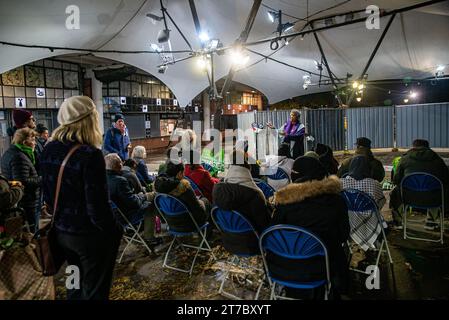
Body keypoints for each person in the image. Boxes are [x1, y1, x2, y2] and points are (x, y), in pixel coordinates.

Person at [40, 96, 121, 300]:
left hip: (62, 235)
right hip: (88, 239)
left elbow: (48, 197)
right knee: (94, 291)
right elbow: (98, 209)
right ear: (89, 120)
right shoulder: (90, 155)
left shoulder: (48, 149)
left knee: (73, 284)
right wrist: (116, 230)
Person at [271, 156, 349, 299]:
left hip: (284, 268)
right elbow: (343, 235)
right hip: (323, 269)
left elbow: (274, 233)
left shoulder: (284, 203)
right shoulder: (336, 201)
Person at [389, 139, 449, 230]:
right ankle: (431, 221)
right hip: (433, 199)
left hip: (408, 197)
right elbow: (446, 179)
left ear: (413, 147)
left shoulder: (404, 159)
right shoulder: (438, 159)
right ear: (428, 147)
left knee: (395, 191)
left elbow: (396, 180)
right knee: (441, 189)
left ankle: (398, 222)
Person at [105, 153, 161, 246]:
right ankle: (150, 238)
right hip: (126, 216)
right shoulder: (119, 181)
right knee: (151, 201)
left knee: (149, 197)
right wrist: (141, 196)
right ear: (118, 165)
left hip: (111, 217)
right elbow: (135, 203)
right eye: (121, 163)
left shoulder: (101, 179)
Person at [213, 150, 272, 234]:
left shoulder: (218, 190)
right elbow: (264, 224)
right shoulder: (255, 195)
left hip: (227, 237)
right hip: (253, 240)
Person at [1, 128, 41, 229]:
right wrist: (42, 179)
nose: (35, 143)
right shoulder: (19, 157)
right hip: (27, 202)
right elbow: (22, 182)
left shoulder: (11, 152)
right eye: (32, 140)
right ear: (24, 142)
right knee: (31, 231)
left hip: (22, 201)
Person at [154, 160, 209, 232]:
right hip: (188, 224)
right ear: (180, 173)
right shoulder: (184, 187)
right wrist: (202, 202)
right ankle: (207, 235)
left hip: (169, 223)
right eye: (183, 172)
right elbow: (197, 210)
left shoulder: (159, 187)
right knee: (205, 201)